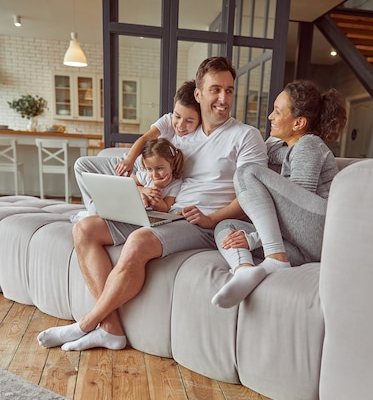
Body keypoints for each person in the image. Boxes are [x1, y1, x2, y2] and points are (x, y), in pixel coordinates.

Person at [37, 56, 267, 351]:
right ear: (198, 94)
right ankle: (111, 330)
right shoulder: (183, 132)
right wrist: (143, 189)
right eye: (215, 90)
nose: (223, 99)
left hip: (204, 223)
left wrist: (211, 219)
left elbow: (252, 195)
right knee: (85, 230)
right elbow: (151, 162)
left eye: (230, 90)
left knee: (138, 241)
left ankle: (85, 324)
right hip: (166, 214)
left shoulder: (245, 136)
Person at [211, 79, 347, 309]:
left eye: (277, 111)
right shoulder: (289, 148)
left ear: (299, 123)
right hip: (304, 246)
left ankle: (275, 258)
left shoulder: (309, 145)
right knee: (225, 228)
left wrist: (253, 238)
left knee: (247, 173)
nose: (270, 117)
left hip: (321, 229)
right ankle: (244, 270)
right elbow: (269, 150)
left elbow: (297, 207)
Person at [74, 79, 201, 215]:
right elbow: (146, 138)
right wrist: (129, 160)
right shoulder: (168, 120)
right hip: (136, 165)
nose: (181, 125)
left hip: (150, 175)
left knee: (124, 191)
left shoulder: (198, 138)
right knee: (81, 165)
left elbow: (165, 203)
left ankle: (99, 211)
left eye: (189, 121)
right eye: (177, 116)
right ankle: (94, 209)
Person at [133, 138, 184, 212]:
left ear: (173, 164)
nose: (154, 174)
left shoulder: (175, 184)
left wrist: (156, 187)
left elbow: (165, 208)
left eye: (159, 168)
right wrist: (142, 190)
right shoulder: (146, 175)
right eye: (149, 169)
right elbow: (126, 185)